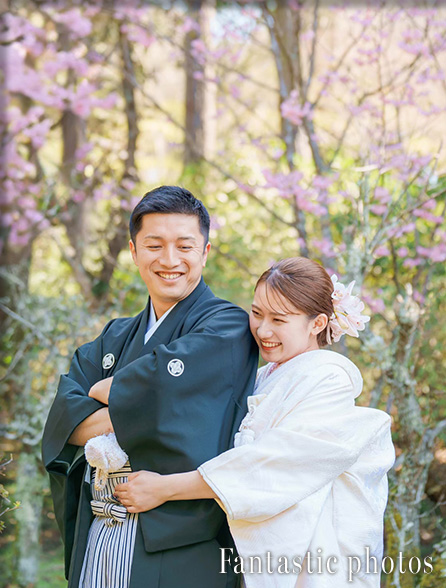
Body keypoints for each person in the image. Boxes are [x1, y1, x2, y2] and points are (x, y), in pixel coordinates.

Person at [114, 257, 396, 588]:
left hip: (315, 555)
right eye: (257, 313)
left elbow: (276, 464)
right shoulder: (264, 376)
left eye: (279, 319)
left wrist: (166, 488)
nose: (263, 330)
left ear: (317, 323)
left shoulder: (329, 379)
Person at [41, 186, 259, 588]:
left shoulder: (227, 327)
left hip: (179, 543)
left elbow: (159, 402)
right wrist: (143, 406)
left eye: (185, 246)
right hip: (100, 530)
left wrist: (107, 402)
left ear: (205, 252)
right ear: (134, 251)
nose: (170, 260)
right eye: (154, 245)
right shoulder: (115, 335)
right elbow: (65, 420)